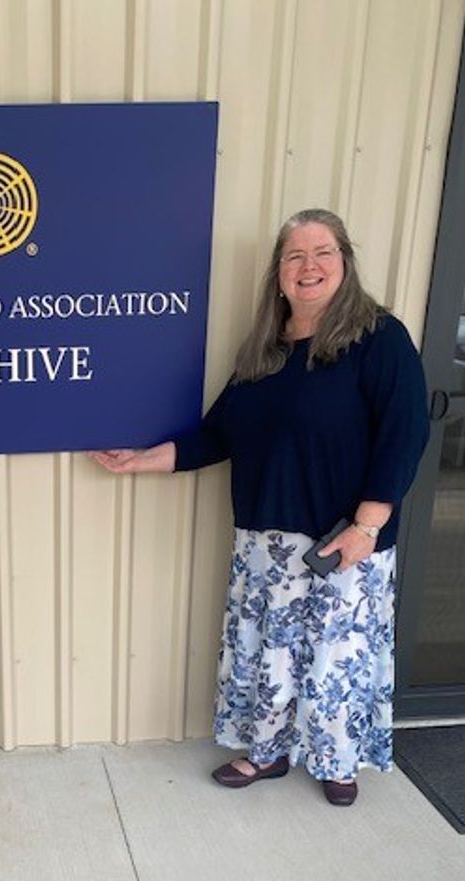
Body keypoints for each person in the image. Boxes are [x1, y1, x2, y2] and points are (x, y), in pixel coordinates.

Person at [90, 208, 429, 806]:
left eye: (322, 252)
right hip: (266, 544)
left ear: (344, 263)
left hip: (344, 539)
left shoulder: (378, 339)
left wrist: (368, 525)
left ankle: (337, 761)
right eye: (294, 256)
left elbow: (404, 432)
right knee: (266, 653)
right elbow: (216, 435)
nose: (308, 267)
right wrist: (138, 460)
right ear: (278, 276)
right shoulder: (264, 354)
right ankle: (267, 752)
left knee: (337, 657)